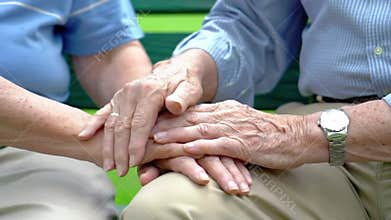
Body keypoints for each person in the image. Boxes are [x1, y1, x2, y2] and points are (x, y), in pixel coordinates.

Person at [95, 0, 389, 219]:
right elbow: (252, 20)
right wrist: (190, 69)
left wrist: (297, 135)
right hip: (330, 155)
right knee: (167, 210)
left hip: (315, 136)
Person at [0, 0, 152, 219]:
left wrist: (154, 128)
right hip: (56, 136)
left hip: (33, 153)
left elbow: (109, 56)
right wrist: (108, 139)